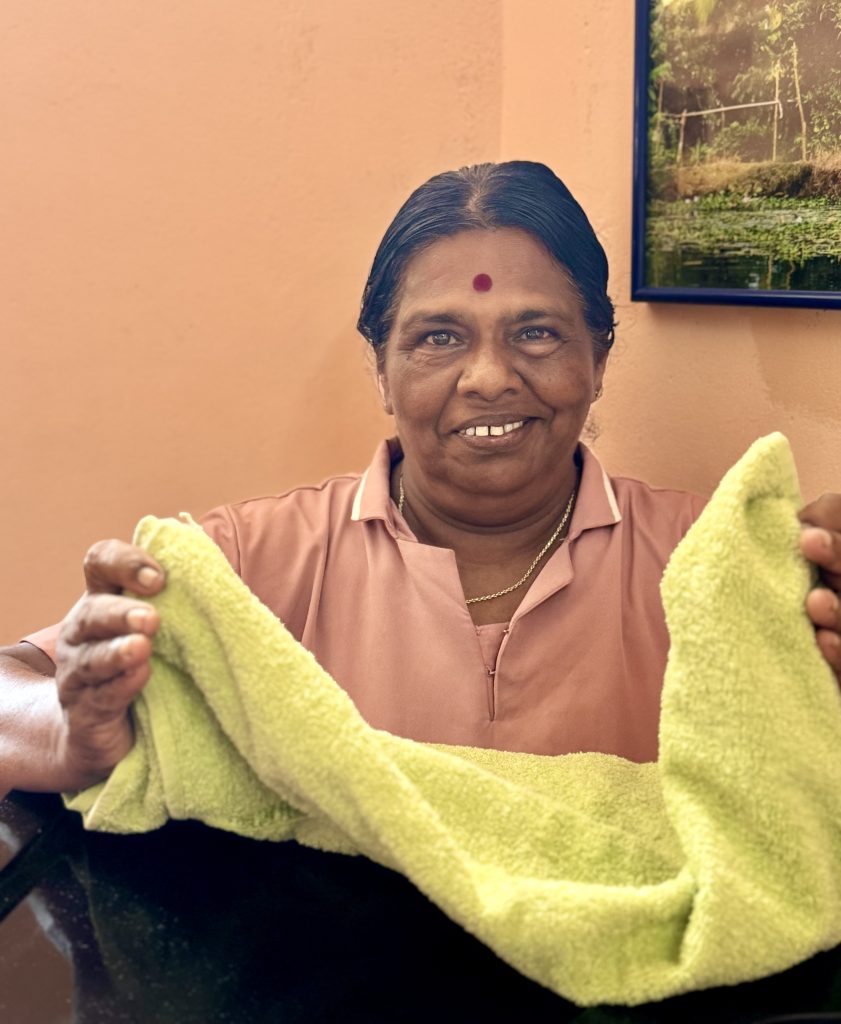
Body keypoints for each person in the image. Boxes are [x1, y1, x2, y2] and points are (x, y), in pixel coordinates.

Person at [1, 161, 839, 796]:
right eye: (439, 337)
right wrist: (73, 726)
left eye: (537, 333)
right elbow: (11, 684)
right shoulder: (252, 561)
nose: (487, 378)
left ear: (599, 357)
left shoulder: (711, 566)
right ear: (380, 368)